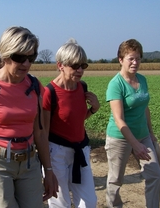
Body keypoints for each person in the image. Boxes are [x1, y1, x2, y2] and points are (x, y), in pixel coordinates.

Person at [0, 26, 58, 208]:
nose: (26, 64)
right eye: (20, 57)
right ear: (5, 55)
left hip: (29, 162)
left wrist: (49, 171)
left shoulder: (35, 86)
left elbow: (39, 133)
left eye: (31, 58)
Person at [105, 39, 160, 208]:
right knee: (115, 180)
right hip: (119, 138)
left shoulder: (142, 80)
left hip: (143, 136)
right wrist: (135, 145)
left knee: (155, 175)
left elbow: (145, 108)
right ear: (121, 59)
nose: (135, 62)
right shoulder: (116, 84)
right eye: (131, 58)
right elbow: (119, 119)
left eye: (138, 58)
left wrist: (150, 133)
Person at [43, 38, 98, 208]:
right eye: (75, 66)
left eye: (83, 65)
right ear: (60, 65)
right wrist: (47, 168)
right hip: (56, 152)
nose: (80, 70)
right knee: (60, 203)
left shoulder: (82, 87)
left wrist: (93, 109)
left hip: (80, 151)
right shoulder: (49, 92)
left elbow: (75, 120)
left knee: (89, 202)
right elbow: (43, 132)